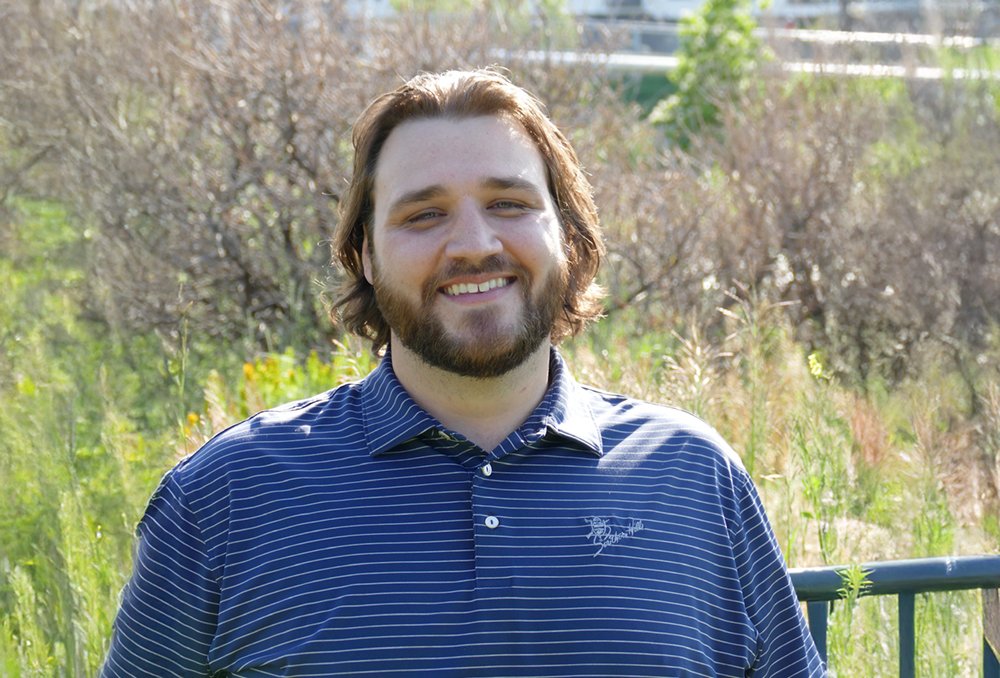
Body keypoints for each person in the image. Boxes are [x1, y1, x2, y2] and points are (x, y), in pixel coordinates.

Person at [102, 68, 824, 677]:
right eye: (424, 215)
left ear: (568, 237)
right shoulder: (225, 498)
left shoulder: (695, 479)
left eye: (509, 204)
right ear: (365, 255)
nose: (474, 244)